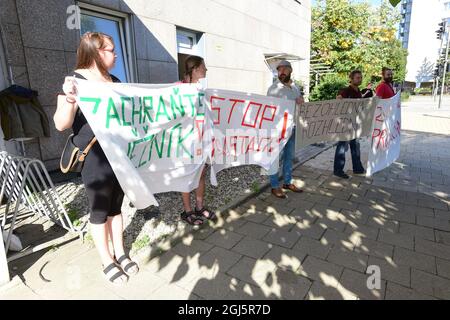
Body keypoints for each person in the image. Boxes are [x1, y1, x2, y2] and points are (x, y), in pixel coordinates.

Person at [54, 32, 138, 285]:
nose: (116, 55)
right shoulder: (76, 82)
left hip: (118, 155)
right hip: (94, 158)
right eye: (111, 50)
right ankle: (106, 260)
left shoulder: (115, 80)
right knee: (100, 210)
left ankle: (120, 253)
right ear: (97, 53)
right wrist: (70, 97)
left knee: (116, 206)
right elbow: (61, 124)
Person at [178, 55, 215, 225]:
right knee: (186, 175)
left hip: (201, 141)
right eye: (203, 66)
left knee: (201, 173)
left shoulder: (202, 90)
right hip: (185, 142)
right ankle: (187, 211)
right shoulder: (179, 88)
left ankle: (199, 206)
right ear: (194, 69)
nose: (206, 69)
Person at [267, 60, 304, 199]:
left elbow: (298, 106)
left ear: (290, 70)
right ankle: (274, 186)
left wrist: (301, 102)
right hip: (278, 129)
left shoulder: (295, 88)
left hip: (292, 127)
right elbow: (271, 110)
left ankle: (287, 182)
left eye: (284, 69)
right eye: (279, 70)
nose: (281, 72)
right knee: (275, 158)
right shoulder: (273, 89)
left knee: (289, 157)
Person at [333, 70, 366, 179]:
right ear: (351, 79)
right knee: (342, 146)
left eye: (360, 77)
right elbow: (338, 101)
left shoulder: (358, 92)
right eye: (357, 77)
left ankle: (357, 168)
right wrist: (339, 99)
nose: (359, 79)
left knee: (355, 146)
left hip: (355, 124)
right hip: (345, 124)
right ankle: (338, 170)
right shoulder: (345, 90)